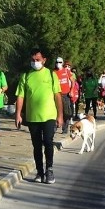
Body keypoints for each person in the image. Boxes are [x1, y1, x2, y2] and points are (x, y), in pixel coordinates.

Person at [15, 48, 64, 184]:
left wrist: (60, 115)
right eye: (33, 60)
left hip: (49, 116)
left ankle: (49, 169)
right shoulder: (26, 75)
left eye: (37, 60)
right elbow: (20, 96)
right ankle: (39, 172)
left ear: (44, 60)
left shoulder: (51, 75)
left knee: (48, 142)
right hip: (32, 117)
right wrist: (18, 114)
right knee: (36, 145)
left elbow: (57, 96)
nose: (35, 62)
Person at [53, 57, 76, 127]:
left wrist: (71, 90)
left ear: (62, 63)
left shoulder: (66, 71)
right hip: (57, 94)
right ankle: (56, 125)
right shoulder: (53, 72)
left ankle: (65, 128)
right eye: (57, 62)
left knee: (66, 112)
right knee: (56, 111)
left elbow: (73, 81)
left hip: (66, 94)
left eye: (60, 62)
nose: (58, 64)